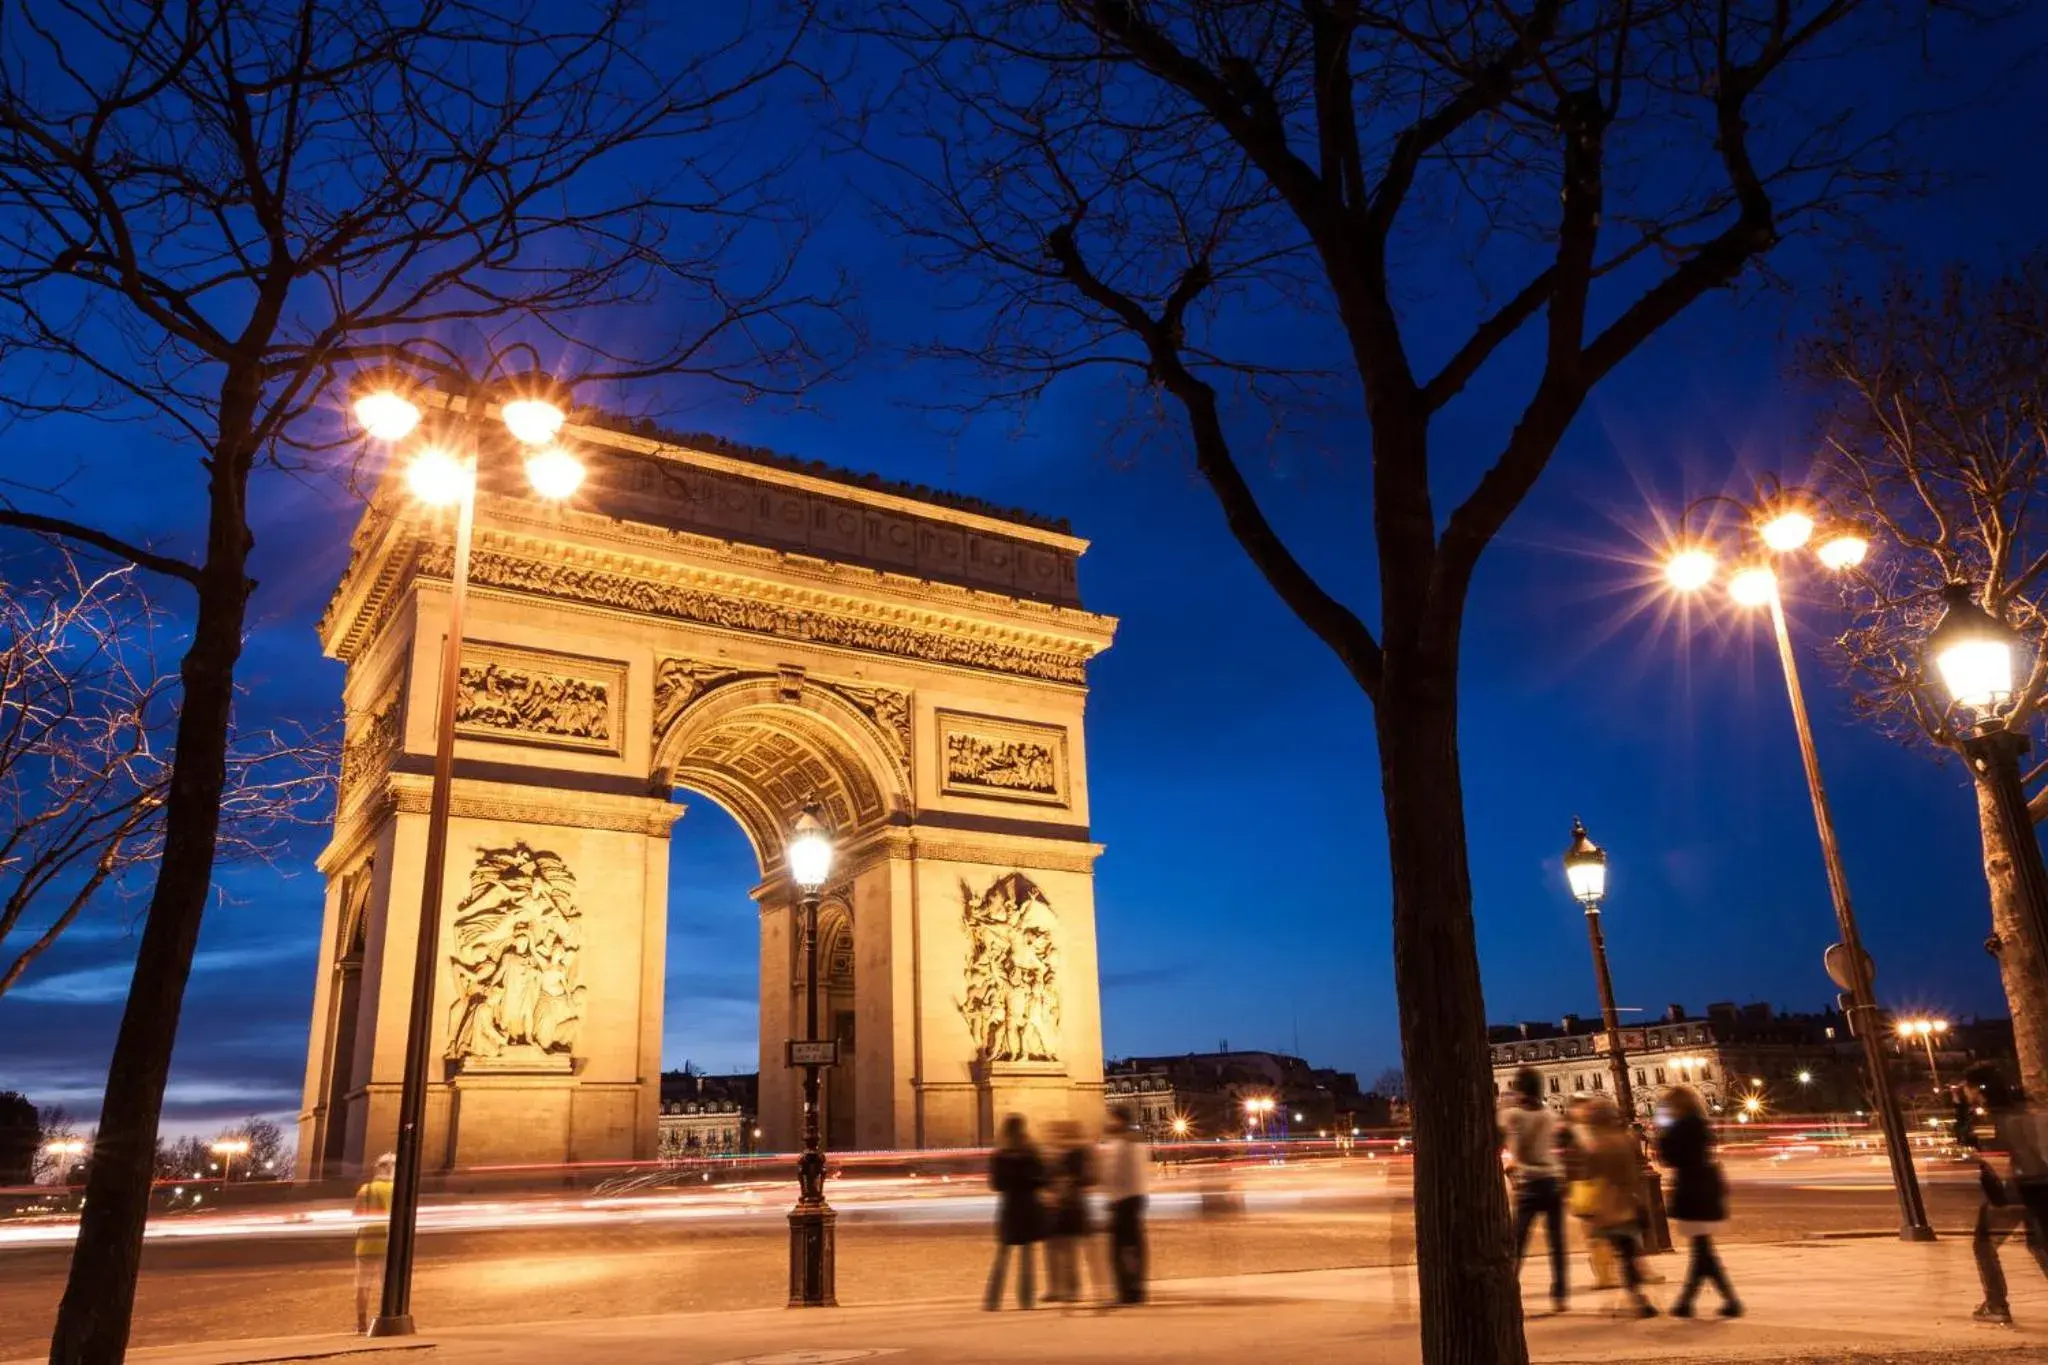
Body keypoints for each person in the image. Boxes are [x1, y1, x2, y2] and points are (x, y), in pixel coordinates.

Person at [1964, 1062, 2048, 1325]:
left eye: (1966, 1087)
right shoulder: (2027, 1108)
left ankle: (1996, 1303)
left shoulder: (1989, 1117)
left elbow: (1993, 1156)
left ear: (1977, 1089)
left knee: (1984, 1243)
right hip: (2043, 1185)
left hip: (2015, 1188)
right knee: (2039, 1244)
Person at [1657, 1085, 1740, 1318]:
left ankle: (1694, 1301)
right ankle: (1718, 1301)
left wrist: (1662, 1128)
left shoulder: (1679, 1127)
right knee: (1703, 1250)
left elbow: (1667, 1157)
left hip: (1691, 1190)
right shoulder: (1701, 1124)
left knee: (1702, 1251)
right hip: (1705, 1189)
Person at [1580, 1096, 1656, 1319]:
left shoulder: (1596, 1146)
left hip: (1608, 1206)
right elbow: (1636, 1167)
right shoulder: (1626, 1139)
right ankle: (1637, 1297)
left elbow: (1589, 1177)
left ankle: (1634, 1298)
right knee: (1629, 1253)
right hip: (1629, 1202)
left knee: (1618, 1254)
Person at [1499, 1066, 1567, 1313]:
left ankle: (1508, 1289)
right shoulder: (1550, 1115)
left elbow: (1498, 1136)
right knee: (1557, 1241)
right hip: (1553, 1179)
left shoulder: (1512, 1115)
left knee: (1517, 1242)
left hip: (1529, 1182)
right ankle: (1560, 1292)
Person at [986, 1113, 1045, 1310]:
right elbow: (1043, 1179)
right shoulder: (1032, 1152)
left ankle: (992, 1301)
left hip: (1009, 1208)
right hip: (1028, 1207)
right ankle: (1026, 1300)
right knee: (1027, 1259)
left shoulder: (999, 1155)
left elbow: (995, 1184)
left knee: (1002, 1258)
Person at [1564, 1097, 1618, 1290]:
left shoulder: (1585, 1131)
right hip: (1586, 1186)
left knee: (1600, 1232)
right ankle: (1604, 1274)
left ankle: (1606, 1273)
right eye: (1581, 1107)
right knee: (1596, 1232)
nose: (1585, 1111)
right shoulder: (1576, 1131)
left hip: (1593, 1185)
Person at [1101, 1107, 1150, 1305]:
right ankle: (1136, 1288)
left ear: (1118, 1120)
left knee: (1118, 1248)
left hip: (1123, 1200)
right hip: (1136, 1198)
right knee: (1134, 1246)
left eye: (1111, 1118)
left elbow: (1112, 1173)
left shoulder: (1121, 1143)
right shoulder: (1135, 1141)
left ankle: (1126, 1291)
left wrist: (1111, 1196)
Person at [1043, 1120, 1096, 1303]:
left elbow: (1088, 1178)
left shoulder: (1078, 1153)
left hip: (1071, 1207)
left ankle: (1071, 1289)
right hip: (1055, 1208)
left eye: (1057, 1132)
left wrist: (1067, 1183)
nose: (1053, 1136)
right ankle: (1056, 1288)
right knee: (1055, 1251)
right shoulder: (1053, 1153)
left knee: (1068, 1252)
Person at [353, 1152, 396, 1334]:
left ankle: (361, 1323)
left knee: (363, 1286)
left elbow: (357, 1217)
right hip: (388, 1245)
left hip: (366, 1246)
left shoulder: (366, 1190)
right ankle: (385, 1318)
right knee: (387, 1286)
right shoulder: (398, 1189)